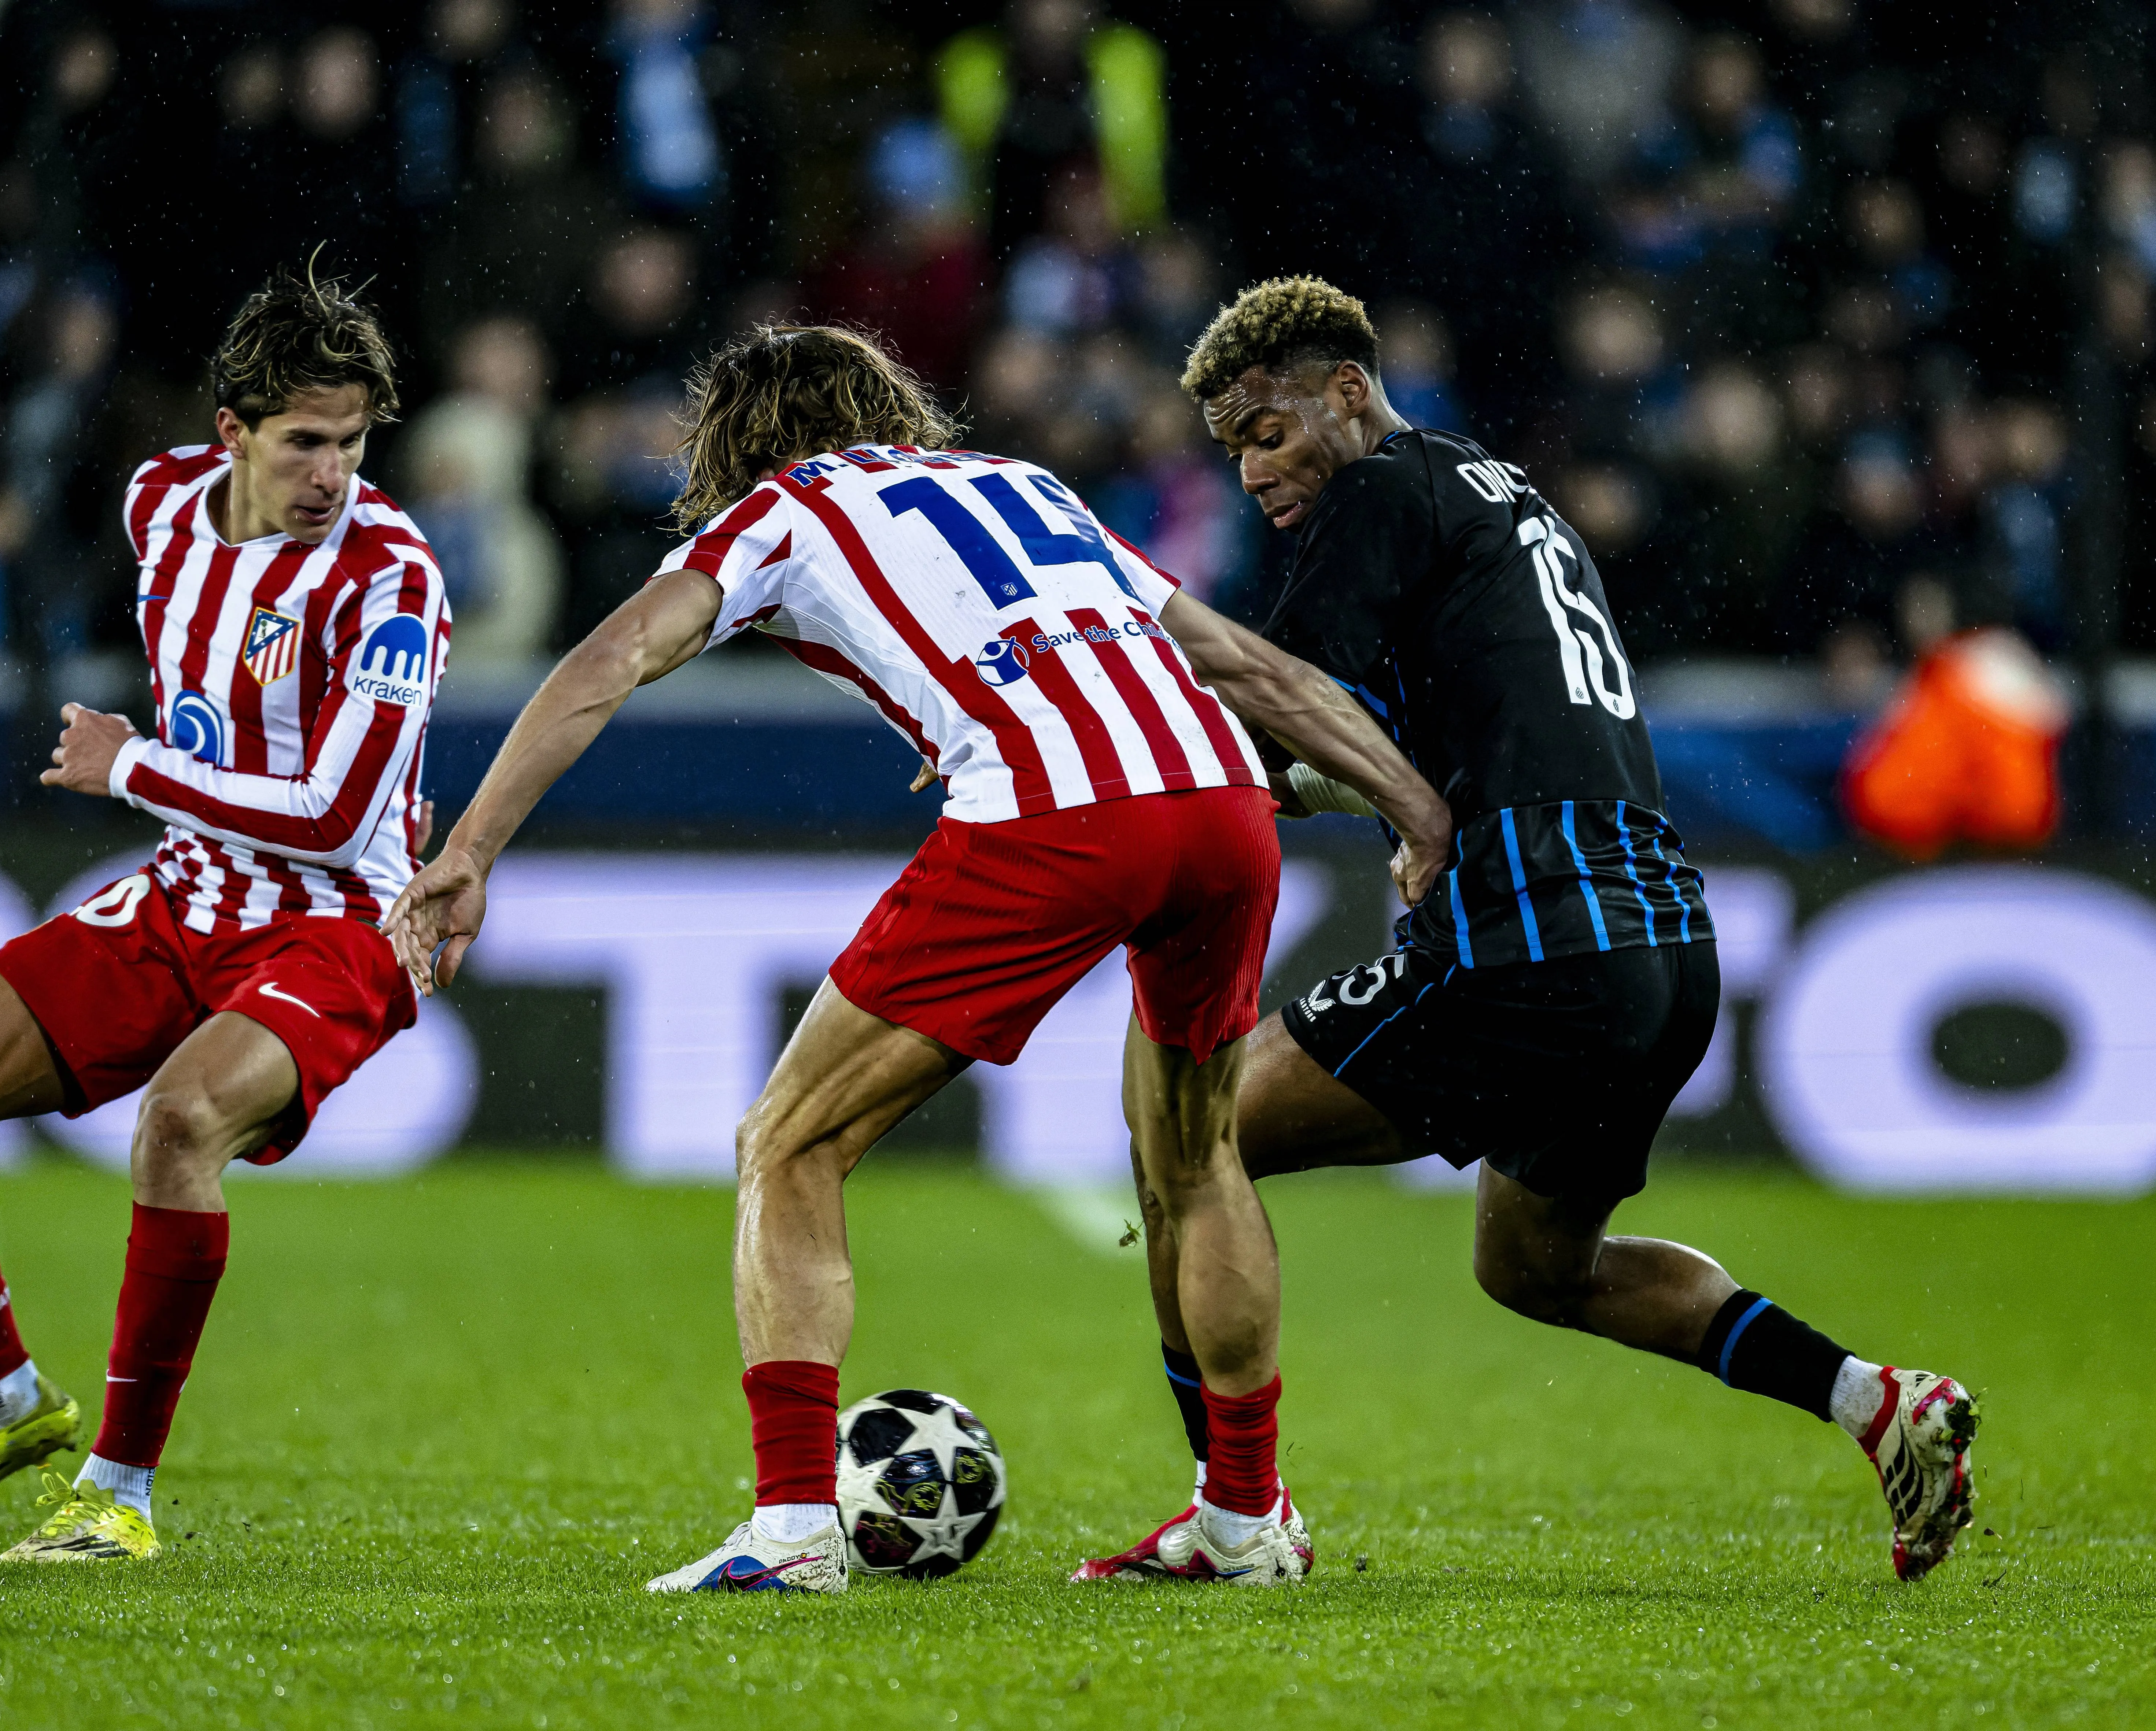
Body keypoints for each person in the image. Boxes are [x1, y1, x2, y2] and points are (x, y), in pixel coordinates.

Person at [382, 325, 1451, 1594]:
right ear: (884, 404)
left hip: (1059, 811)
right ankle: (1245, 1516)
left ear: (741, 447)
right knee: (1197, 1158)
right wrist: (1416, 806)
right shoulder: (1025, 485)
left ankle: (789, 1528)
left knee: (789, 1141)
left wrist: (471, 850)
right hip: (1221, 797)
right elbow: (1238, 659)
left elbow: (614, 656)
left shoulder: (781, 508)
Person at [1075, 278, 1978, 1586]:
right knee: (1534, 1264)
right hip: (1662, 944)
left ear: (1348, 391)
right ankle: (1869, 1400)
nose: (1256, 470)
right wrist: (1395, 798)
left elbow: (1266, 710)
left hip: (1536, 936)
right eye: (1232, 448)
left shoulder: (1380, 489)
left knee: (1193, 1131)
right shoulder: (1503, 495)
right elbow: (1414, 732)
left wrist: (1089, 754)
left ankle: (1237, 1515)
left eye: (1267, 431)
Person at [0, 265, 448, 1563]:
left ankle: (116, 1497)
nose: (331, 472)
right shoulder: (158, 504)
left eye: (351, 442)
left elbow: (343, 815)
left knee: (181, 1121)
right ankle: (0, 1406)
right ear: (230, 430)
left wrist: (134, 767)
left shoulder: (392, 579)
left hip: (340, 922)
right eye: (303, 442)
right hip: (180, 901)